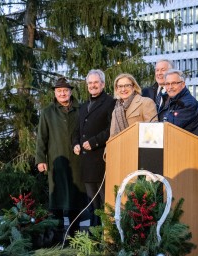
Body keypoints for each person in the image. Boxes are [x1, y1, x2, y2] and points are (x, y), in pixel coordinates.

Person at [36, 77, 87, 242]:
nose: (62, 93)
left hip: (78, 162)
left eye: (65, 90)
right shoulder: (47, 112)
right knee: (56, 199)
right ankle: (57, 238)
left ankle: (75, 237)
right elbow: (41, 138)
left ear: (71, 92)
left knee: (76, 199)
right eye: (59, 91)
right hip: (56, 161)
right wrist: (40, 159)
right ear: (55, 93)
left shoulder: (82, 109)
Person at [72, 69, 115, 228]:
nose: (93, 85)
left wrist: (94, 141)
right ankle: (93, 235)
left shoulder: (111, 102)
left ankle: (107, 236)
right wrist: (75, 143)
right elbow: (76, 131)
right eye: (90, 83)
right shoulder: (83, 106)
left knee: (104, 202)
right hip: (86, 163)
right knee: (92, 204)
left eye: (96, 82)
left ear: (102, 84)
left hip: (101, 160)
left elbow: (112, 129)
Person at [110, 73, 158, 137]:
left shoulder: (146, 102)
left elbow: (153, 131)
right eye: (120, 86)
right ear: (116, 89)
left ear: (134, 87)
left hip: (139, 146)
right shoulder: (116, 111)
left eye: (127, 85)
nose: (123, 89)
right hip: (120, 146)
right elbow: (112, 137)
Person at [161, 69, 198, 135]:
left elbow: (171, 127)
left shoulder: (189, 104)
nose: (170, 87)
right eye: (167, 84)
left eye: (174, 83)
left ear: (183, 84)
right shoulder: (170, 100)